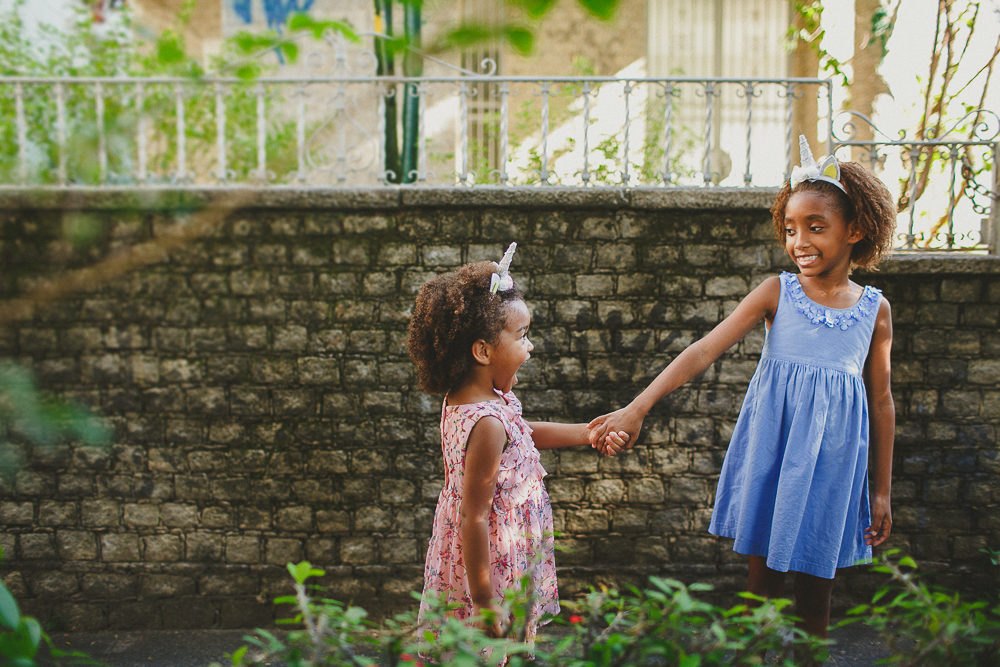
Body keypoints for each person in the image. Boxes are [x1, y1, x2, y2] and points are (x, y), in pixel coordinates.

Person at [588, 137, 897, 641]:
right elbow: (703, 350)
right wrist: (637, 407)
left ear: (856, 230)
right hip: (773, 456)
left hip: (832, 465)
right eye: (791, 228)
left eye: (816, 228)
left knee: (816, 603)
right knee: (761, 594)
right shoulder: (779, 292)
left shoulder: (875, 310)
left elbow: (881, 402)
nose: (800, 241)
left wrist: (880, 491)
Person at [407, 243, 628, 645]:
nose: (530, 346)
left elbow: (523, 432)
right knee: (491, 647)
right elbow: (473, 517)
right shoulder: (486, 422)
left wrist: (587, 431)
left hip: (493, 553)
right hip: (488, 562)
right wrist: (486, 602)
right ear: (483, 351)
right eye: (523, 336)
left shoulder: (481, 401)